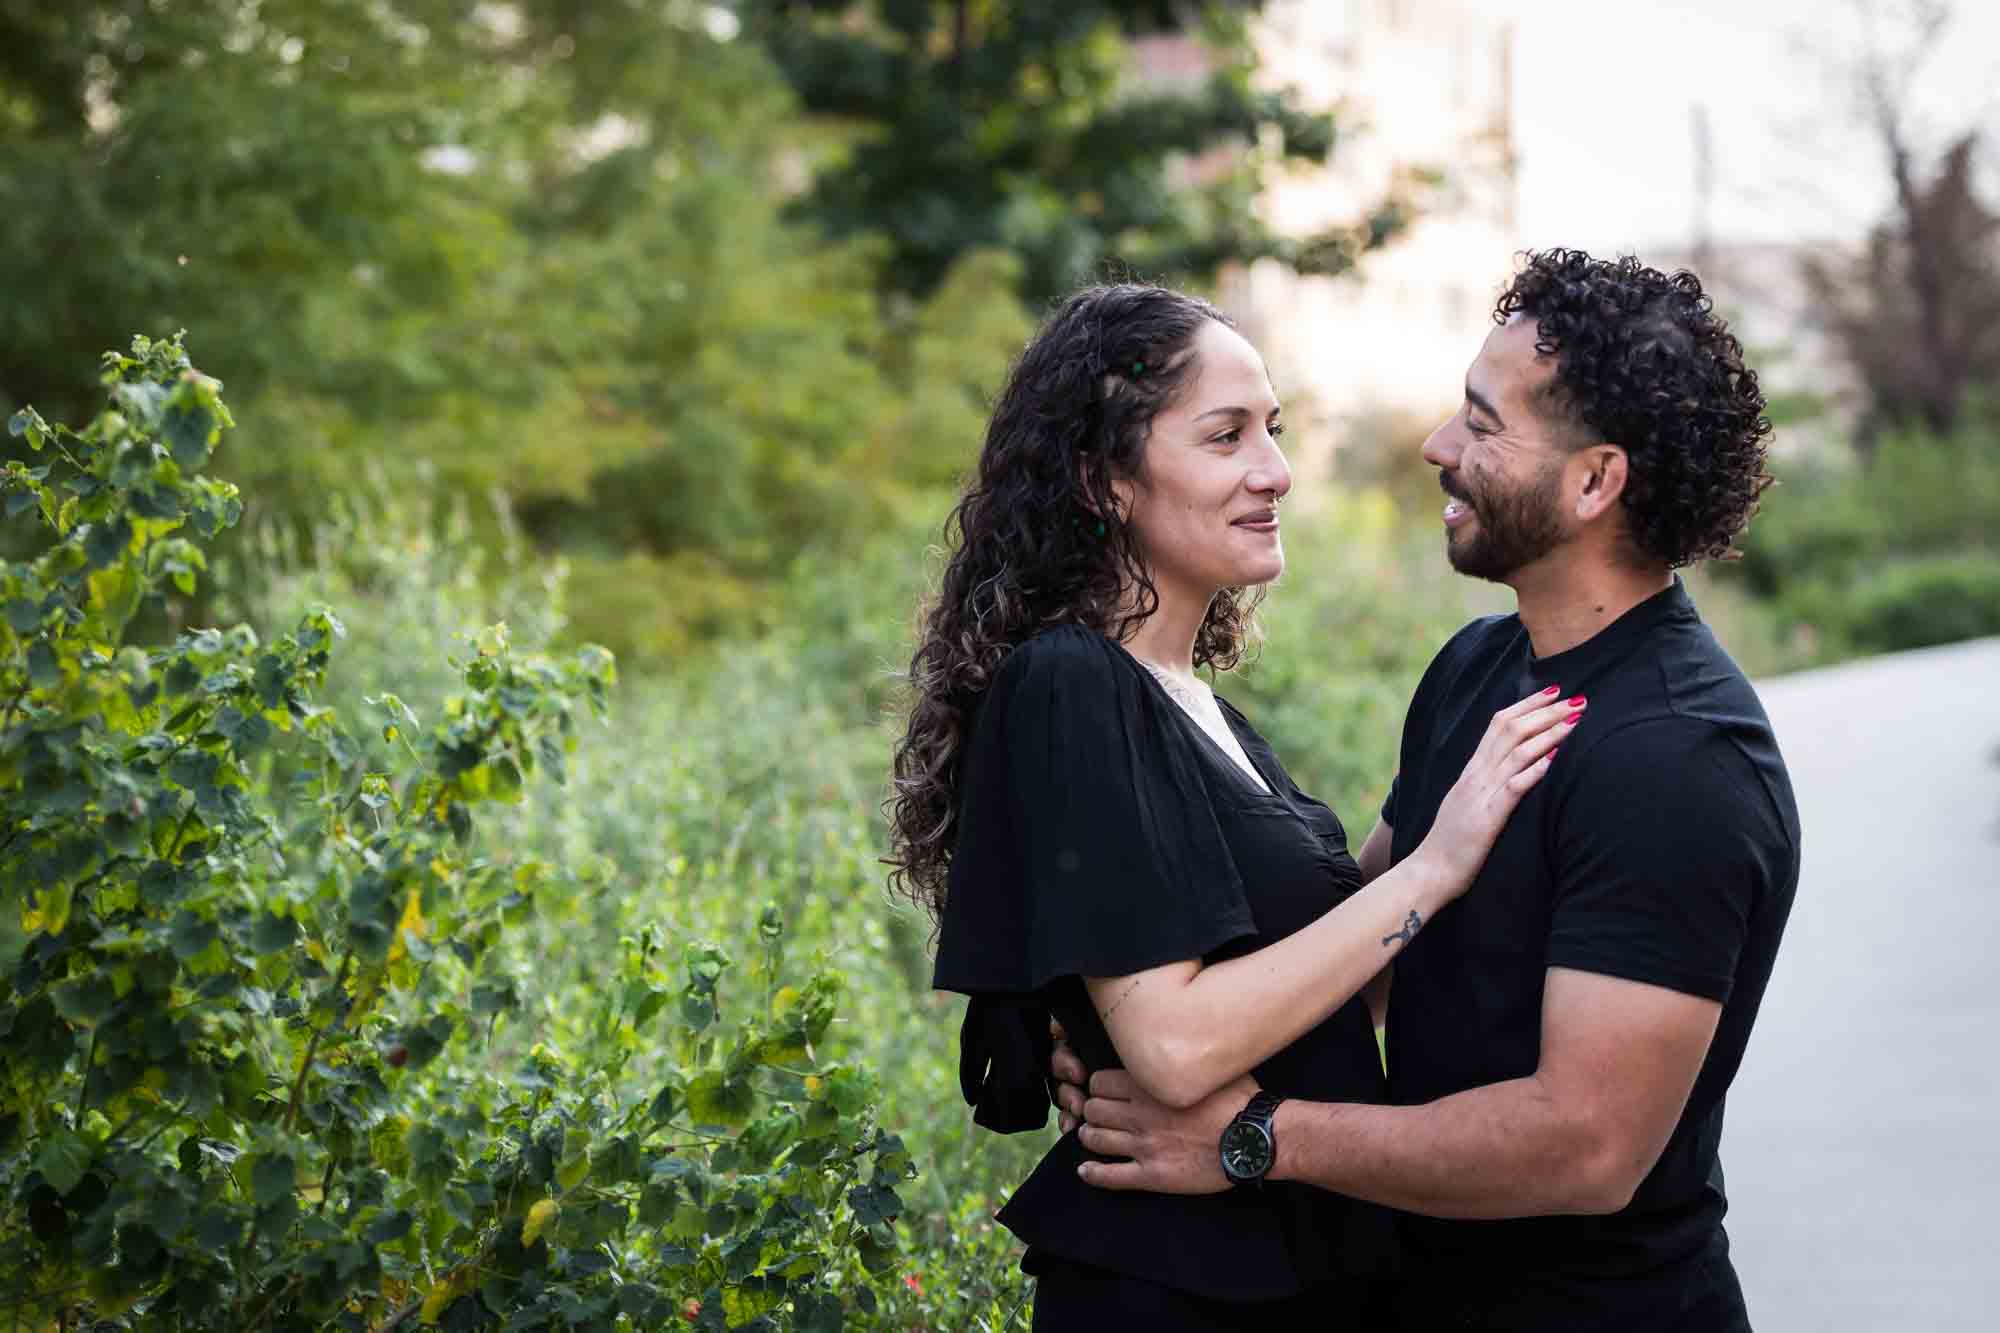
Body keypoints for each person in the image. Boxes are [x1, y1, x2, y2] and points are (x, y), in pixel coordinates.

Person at [1055, 250, 1800, 1332]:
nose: (1435, 447)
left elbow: (1582, 1146)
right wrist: (1111, 1035)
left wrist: (1254, 1134)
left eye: (1482, 425)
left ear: (1594, 482)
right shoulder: (1474, 669)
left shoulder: (1676, 758)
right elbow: (1361, 954)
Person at [887, 283, 1580, 1329]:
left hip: (1290, 1266)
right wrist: (1432, 868)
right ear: (1101, 477)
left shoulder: (1202, 714)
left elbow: (1314, 995)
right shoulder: (1070, 684)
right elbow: (1170, 1046)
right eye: (1225, 437)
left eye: (1273, 430)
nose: (1276, 471)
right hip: (1177, 1290)